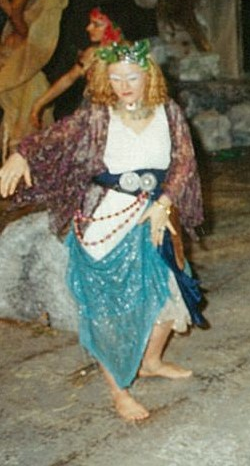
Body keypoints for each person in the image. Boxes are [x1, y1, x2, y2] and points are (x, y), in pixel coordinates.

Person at [0, 38, 205, 422]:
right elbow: (54, 135)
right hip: (106, 220)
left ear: (148, 76)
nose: (124, 86)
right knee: (109, 309)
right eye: (115, 78)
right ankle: (118, 391)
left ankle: (150, 362)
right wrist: (20, 154)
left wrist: (164, 202)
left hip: (155, 216)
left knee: (171, 290)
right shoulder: (97, 115)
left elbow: (184, 161)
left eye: (132, 77)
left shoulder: (169, 112)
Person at [0, 0, 69, 156]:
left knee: (25, 140)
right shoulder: (12, 30)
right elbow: (7, 6)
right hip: (15, 90)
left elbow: (14, 10)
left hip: (29, 89)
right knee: (13, 136)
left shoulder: (26, 30)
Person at [29, 6, 122, 129]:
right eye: (90, 23)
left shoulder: (126, 56)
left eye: (96, 25)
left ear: (113, 28)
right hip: (89, 116)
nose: (88, 28)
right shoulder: (91, 54)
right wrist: (39, 103)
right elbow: (69, 78)